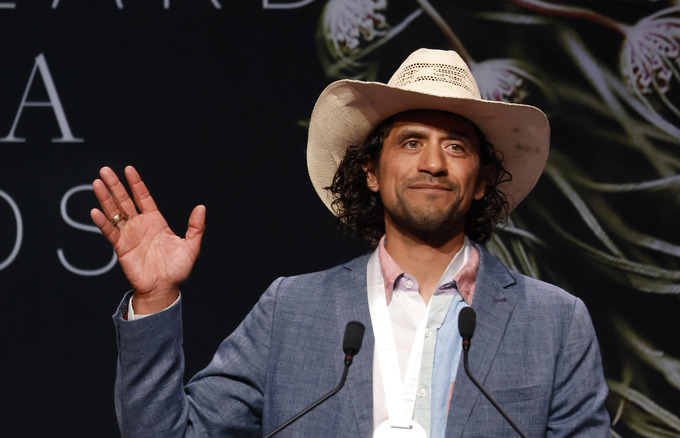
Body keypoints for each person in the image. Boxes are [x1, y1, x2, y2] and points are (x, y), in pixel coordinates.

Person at [91, 48, 609, 437]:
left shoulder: (555, 322)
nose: (433, 163)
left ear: (480, 181)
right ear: (370, 173)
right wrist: (155, 298)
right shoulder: (290, 310)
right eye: (411, 142)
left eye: (455, 146)